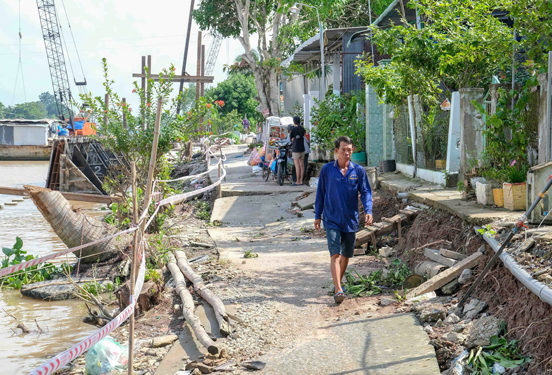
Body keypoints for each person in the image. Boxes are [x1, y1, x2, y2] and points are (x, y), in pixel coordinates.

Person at [314, 136, 373, 304]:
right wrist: (318, 215)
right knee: (335, 254)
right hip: (331, 218)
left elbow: (366, 192)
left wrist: (368, 210)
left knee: (346, 254)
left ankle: (337, 282)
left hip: (350, 219)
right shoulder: (327, 170)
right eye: (343, 150)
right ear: (336, 151)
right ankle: (338, 288)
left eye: (349, 150)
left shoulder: (358, 171)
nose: (347, 153)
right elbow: (320, 193)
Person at [289, 116, 306, 186]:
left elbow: (291, 138)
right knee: (302, 165)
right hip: (302, 148)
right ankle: (301, 180)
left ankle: (298, 181)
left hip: (295, 149)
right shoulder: (302, 129)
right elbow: (303, 135)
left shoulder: (293, 129)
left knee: (297, 166)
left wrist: (294, 139)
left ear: (294, 122)